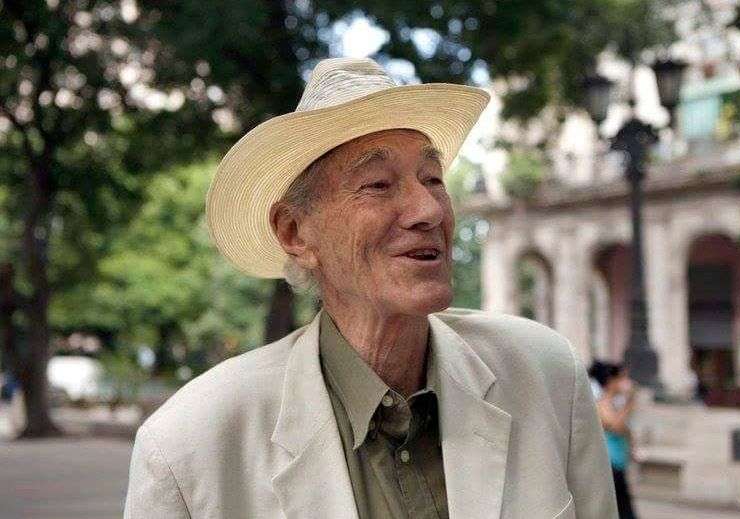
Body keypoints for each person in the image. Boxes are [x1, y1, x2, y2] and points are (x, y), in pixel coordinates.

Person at [124, 57, 618, 519]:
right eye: (378, 185)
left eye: (432, 178)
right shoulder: (189, 445)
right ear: (295, 233)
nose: (428, 211)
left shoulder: (545, 375)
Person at [589, 361, 638, 519]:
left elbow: (626, 431)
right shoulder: (601, 404)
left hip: (617, 463)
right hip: (608, 464)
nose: (626, 383)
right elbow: (616, 425)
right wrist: (630, 402)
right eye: (622, 378)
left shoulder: (614, 404)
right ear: (611, 381)